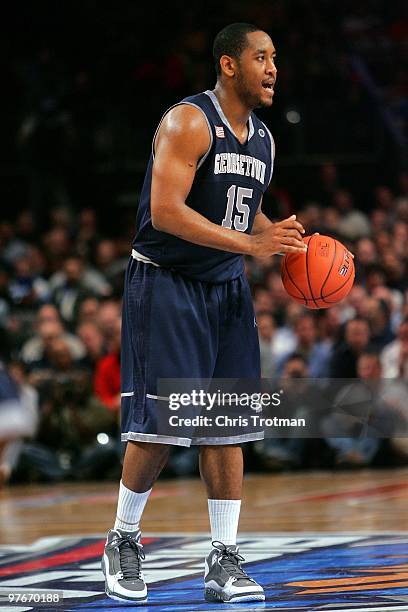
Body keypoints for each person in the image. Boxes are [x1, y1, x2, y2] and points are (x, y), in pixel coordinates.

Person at [102, 22, 307, 605]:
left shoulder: (262, 138)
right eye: (261, 57)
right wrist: (251, 246)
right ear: (229, 66)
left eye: (276, 57)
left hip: (225, 289)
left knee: (228, 424)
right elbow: (166, 212)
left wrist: (285, 242)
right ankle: (122, 538)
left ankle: (223, 558)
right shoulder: (189, 121)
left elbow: (245, 212)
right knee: (163, 426)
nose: (273, 68)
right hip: (167, 283)